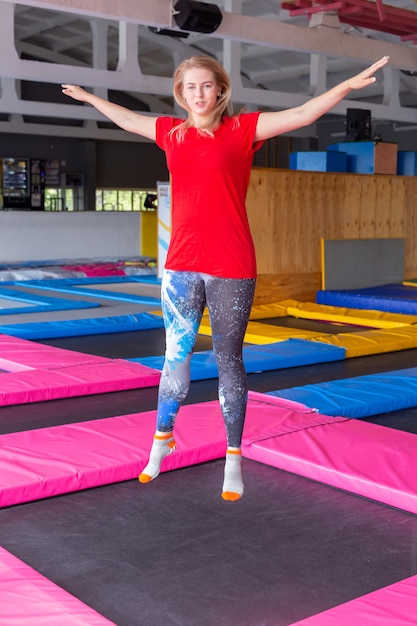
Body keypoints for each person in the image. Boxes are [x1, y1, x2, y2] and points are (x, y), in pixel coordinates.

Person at [62, 53, 389, 501]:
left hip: (231, 264)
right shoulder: (171, 134)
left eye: (205, 85)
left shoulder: (242, 130)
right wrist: (88, 97)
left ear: (220, 89)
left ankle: (233, 455)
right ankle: (162, 439)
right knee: (174, 357)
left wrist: (346, 86)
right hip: (180, 264)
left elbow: (301, 113)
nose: (198, 94)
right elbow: (126, 118)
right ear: (181, 93)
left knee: (228, 358)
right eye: (189, 87)